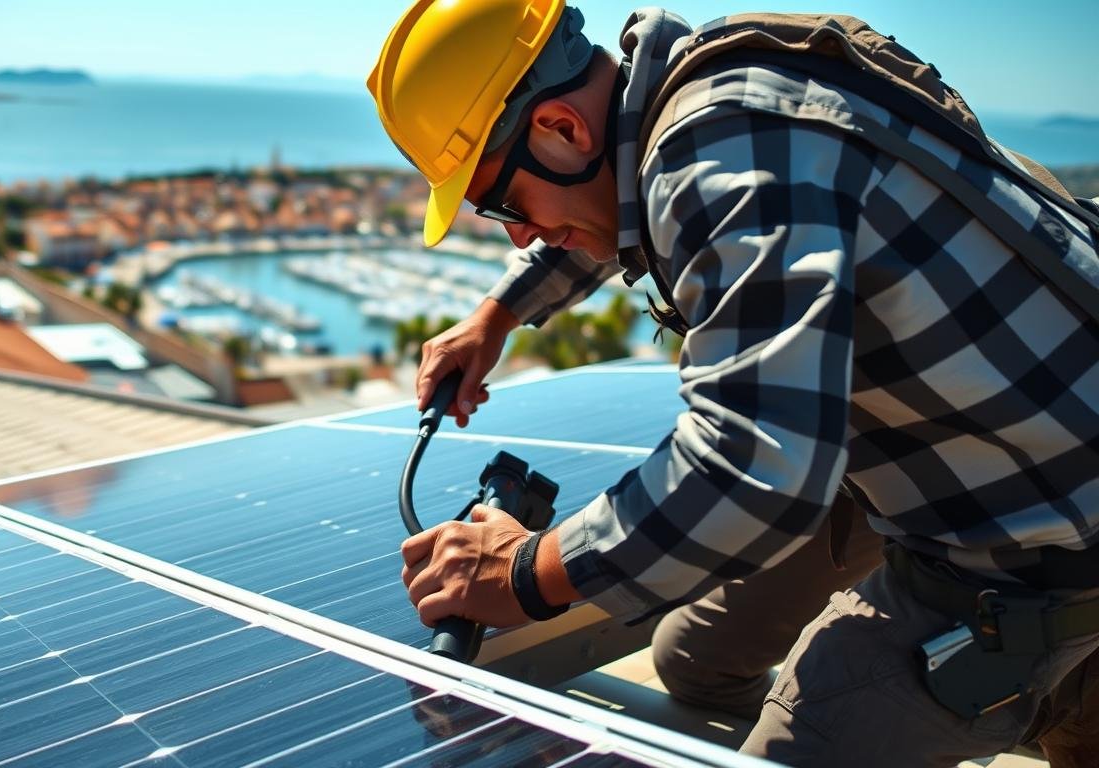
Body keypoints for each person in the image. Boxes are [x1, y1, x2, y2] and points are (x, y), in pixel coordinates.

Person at [366, 2, 1099, 767]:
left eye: (501, 205)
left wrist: (524, 573)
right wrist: (497, 313)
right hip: (981, 438)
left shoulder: (714, 155)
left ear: (562, 129)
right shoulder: (713, 89)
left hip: (1032, 539)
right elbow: (621, 210)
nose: (517, 232)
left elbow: (753, 462)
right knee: (692, 658)